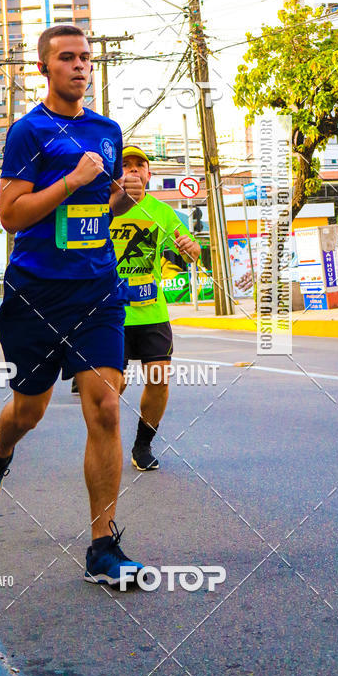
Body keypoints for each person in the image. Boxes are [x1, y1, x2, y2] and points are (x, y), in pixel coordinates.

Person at [0, 23, 145, 588]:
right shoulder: (28, 132)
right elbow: (11, 215)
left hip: (96, 289)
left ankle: (102, 547)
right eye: (67, 58)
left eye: (85, 58)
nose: (79, 66)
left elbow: (101, 209)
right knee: (29, 411)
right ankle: (1, 450)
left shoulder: (107, 130)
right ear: (43, 68)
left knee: (107, 407)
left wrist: (123, 197)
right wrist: (72, 180)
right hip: (36, 293)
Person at [110, 146, 200, 471]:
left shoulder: (162, 212)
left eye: (140, 165)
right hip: (111, 313)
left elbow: (189, 252)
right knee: (113, 384)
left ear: (149, 174)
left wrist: (191, 249)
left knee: (159, 379)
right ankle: (104, 438)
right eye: (125, 165)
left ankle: (142, 445)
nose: (133, 170)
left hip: (152, 311)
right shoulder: (104, 208)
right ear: (116, 172)